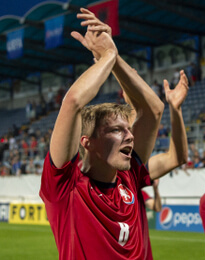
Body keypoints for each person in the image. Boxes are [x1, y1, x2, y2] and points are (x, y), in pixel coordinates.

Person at [40, 8, 167, 259]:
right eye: (116, 130)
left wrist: (114, 57)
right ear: (87, 142)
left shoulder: (128, 176)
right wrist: (107, 55)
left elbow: (154, 110)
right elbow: (74, 101)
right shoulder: (66, 187)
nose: (129, 136)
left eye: (128, 129)